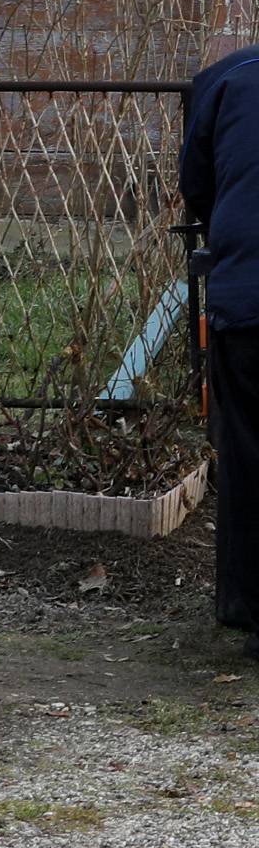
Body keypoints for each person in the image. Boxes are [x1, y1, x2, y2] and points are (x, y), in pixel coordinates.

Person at [180, 43, 259, 654]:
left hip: (246, 298)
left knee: (246, 450)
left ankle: (243, 601)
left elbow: (197, 186)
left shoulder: (228, 77)